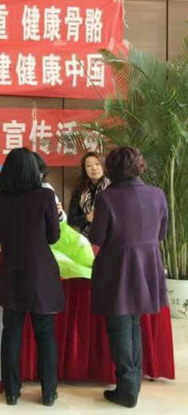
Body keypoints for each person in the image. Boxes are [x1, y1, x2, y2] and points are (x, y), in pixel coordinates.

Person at [89, 147, 168, 408]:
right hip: (148, 264)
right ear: (139, 166)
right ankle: (132, 384)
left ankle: (127, 388)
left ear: (110, 169)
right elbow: (162, 232)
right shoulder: (157, 194)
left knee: (120, 325)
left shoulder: (107, 197)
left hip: (117, 266)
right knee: (134, 323)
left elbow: (97, 237)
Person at [0, 147, 63, 407]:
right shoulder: (45, 196)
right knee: (45, 335)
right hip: (41, 272)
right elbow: (54, 236)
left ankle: (11, 392)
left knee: (11, 333)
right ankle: (49, 393)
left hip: (11, 271)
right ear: (34, 170)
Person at [68, 152, 110, 235]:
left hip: (109, 236)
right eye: (88, 165)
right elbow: (71, 219)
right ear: (85, 169)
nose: (94, 168)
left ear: (103, 166)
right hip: (86, 237)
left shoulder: (112, 188)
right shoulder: (79, 189)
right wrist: (87, 218)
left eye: (97, 164)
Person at [33, 151, 65, 221]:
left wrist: (59, 214)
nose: (39, 176)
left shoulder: (46, 188)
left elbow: (62, 219)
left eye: (41, 172)